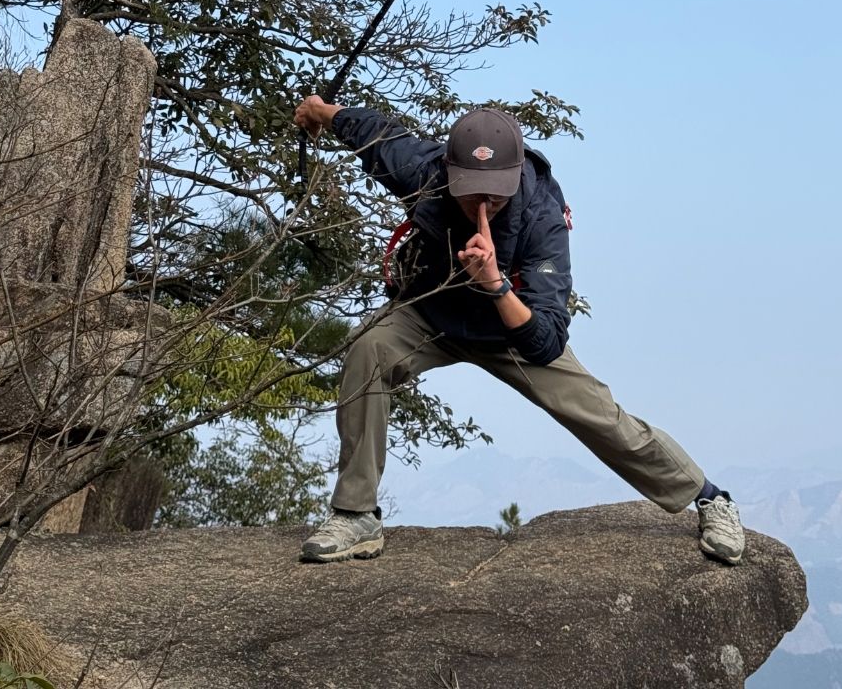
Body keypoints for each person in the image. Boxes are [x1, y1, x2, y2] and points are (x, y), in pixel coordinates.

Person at [292, 97, 745, 567]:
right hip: (430, 313)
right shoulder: (424, 172)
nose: (483, 205)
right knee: (369, 350)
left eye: (495, 195)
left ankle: (710, 498)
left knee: (599, 415)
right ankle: (356, 515)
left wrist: (495, 285)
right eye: (471, 192)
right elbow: (374, 133)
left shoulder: (542, 217)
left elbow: (547, 339)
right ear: (449, 171)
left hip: (513, 330)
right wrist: (319, 111)